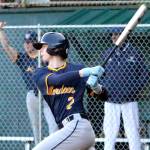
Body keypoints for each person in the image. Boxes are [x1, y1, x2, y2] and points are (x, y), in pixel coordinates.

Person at [32, 32, 108, 150]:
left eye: (43, 47)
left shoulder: (77, 68)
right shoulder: (40, 73)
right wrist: (83, 73)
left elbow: (104, 97)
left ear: (54, 48)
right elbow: (56, 80)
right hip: (68, 130)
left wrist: (97, 88)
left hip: (78, 126)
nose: (40, 51)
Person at [0, 22, 58, 145]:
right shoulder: (22, 58)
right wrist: (1, 31)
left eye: (30, 41)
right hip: (33, 95)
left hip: (48, 94)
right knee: (36, 128)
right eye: (25, 42)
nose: (27, 44)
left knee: (54, 126)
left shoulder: (45, 56)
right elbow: (6, 47)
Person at [101, 27, 149, 150]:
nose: (113, 37)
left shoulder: (134, 53)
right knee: (110, 134)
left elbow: (145, 75)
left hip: (130, 100)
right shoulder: (107, 53)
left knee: (133, 133)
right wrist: (106, 89)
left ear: (124, 35)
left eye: (117, 34)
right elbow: (99, 74)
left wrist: (133, 89)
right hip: (111, 100)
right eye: (112, 34)